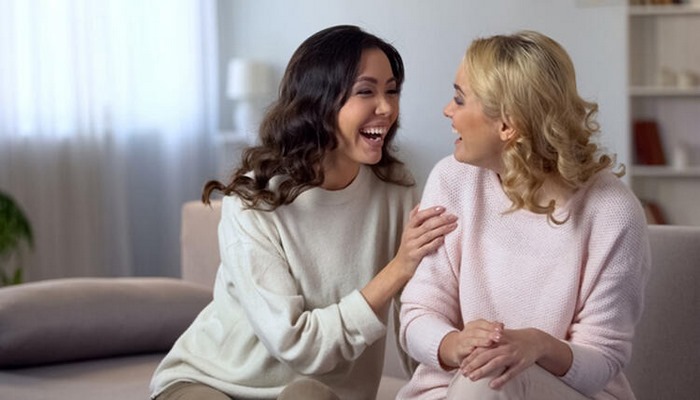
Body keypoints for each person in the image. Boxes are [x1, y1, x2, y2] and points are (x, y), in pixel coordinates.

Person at [149, 25, 458, 400]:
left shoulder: (396, 191)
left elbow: (416, 316)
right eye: (366, 91)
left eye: (392, 90)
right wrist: (398, 268)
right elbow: (295, 342)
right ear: (319, 102)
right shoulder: (253, 202)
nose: (387, 107)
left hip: (317, 394)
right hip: (212, 382)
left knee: (307, 394)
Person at [398, 31, 650, 400]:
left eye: (460, 99)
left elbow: (603, 359)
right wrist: (455, 344)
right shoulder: (451, 180)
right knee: (484, 375)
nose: (448, 110)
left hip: (566, 393)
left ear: (507, 125)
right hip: (449, 391)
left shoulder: (612, 210)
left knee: (490, 376)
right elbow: (417, 315)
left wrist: (538, 345)